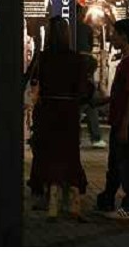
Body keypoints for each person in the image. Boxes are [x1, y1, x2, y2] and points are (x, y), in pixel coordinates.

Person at [29, 17, 89, 222]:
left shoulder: (44, 58)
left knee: (51, 155)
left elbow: (36, 82)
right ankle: (74, 204)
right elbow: (82, 89)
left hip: (48, 110)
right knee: (70, 154)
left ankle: (53, 203)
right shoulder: (77, 59)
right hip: (69, 111)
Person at [96, 19, 129, 220]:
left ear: (124, 36)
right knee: (116, 163)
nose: (112, 37)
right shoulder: (128, 61)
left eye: (115, 33)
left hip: (124, 122)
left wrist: (125, 125)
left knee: (125, 164)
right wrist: (104, 100)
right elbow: (125, 93)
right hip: (120, 120)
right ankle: (107, 199)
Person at [76, 5, 105, 149]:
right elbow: (89, 47)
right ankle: (96, 137)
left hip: (74, 67)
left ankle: (75, 136)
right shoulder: (86, 29)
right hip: (86, 67)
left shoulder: (68, 28)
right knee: (89, 103)